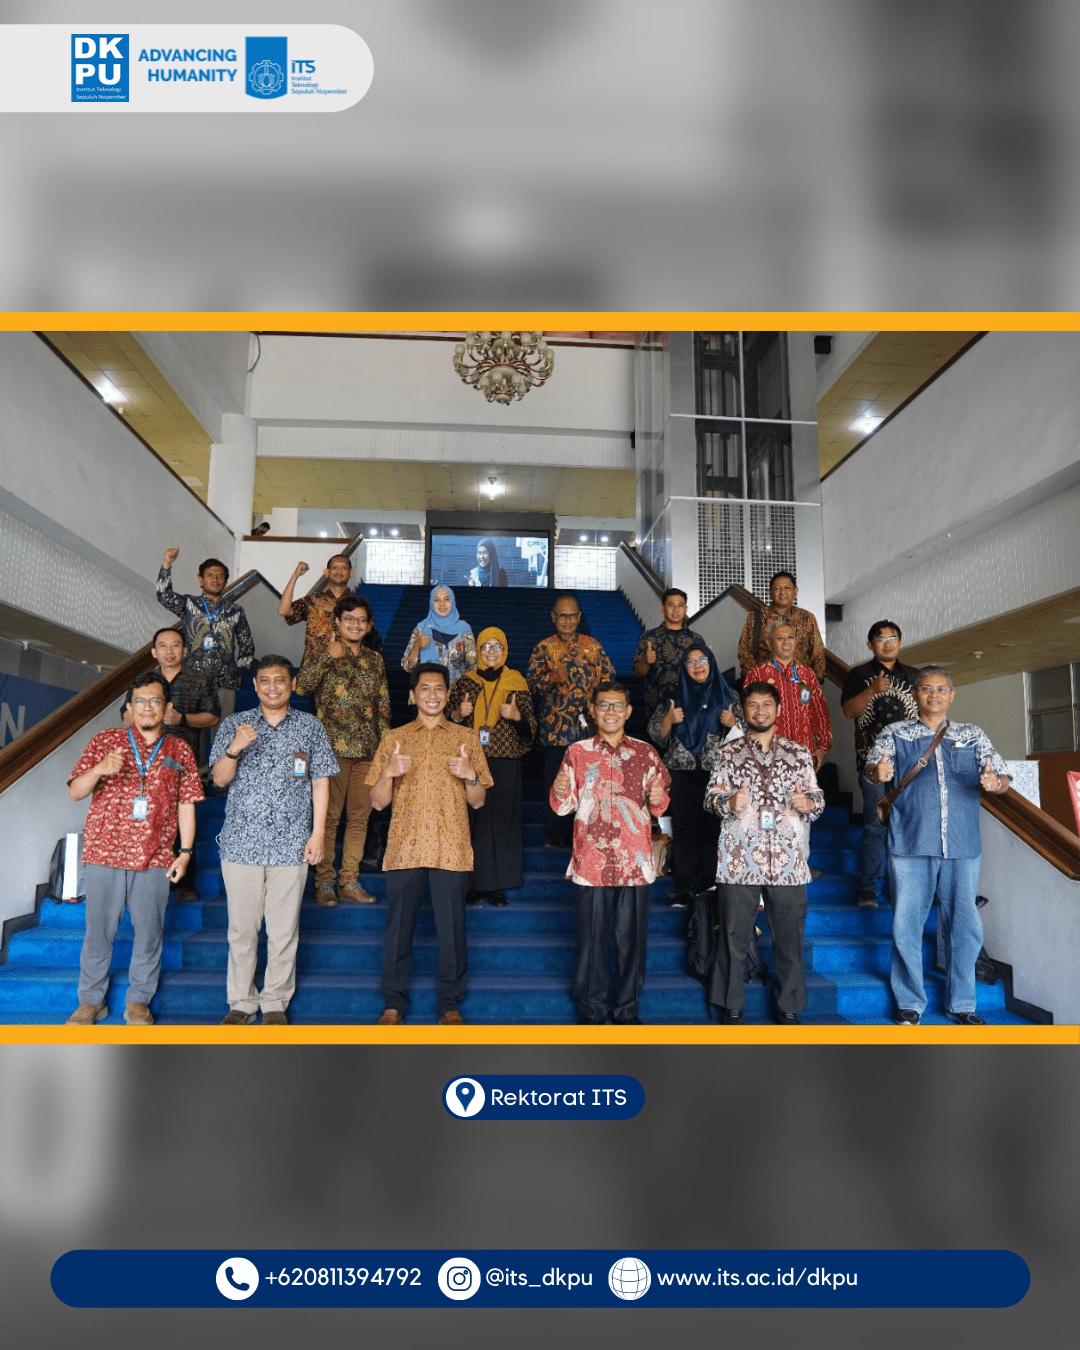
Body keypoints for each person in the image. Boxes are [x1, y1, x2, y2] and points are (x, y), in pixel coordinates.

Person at [865, 665, 1010, 1027]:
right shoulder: (895, 733)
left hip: (962, 844)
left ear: (952, 695)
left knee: (965, 926)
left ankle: (962, 1003)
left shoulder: (972, 735)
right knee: (906, 925)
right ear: (915, 694)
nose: (934, 695)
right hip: (910, 842)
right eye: (926, 689)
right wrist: (877, 773)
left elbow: (1002, 776)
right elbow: (873, 767)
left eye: (941, 689)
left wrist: (996, 783)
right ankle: (910, 1002)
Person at [65, 672, 202, 1026]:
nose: (147, 707)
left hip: (155, 856)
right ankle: (91, 1000)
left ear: (167, 706)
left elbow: (186, 804)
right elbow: (75, 791)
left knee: (150, 932)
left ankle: (139, 999)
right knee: (98, 932)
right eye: (140, 701)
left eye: (155, 700)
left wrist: (185, 853)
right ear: (129, 707)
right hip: (104, 852)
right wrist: (100, 769)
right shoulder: (105, 741)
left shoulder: (179, 750)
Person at [210, 655, 338, 1026]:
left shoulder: (310, 727)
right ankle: (241, 1001)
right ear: (254, 685)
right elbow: (219, 779)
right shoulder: (236, 724)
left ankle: (275, 1002)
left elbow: (320, 782)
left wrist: (317, 834)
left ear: (292, 684)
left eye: (279, 680)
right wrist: (235, 747)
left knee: (283, 931)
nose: (272, 687)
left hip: (292, 844)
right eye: (264, 680)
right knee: (242, 930)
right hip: (241, 844)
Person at [366, 663, 493, 1026]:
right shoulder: (394, 738)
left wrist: (470, 776)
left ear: (447, 694)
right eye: (425, 688)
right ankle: (393, 1003)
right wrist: (389, 772)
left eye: (439, 688)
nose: (432, 695)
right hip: (404, 846)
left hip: (450, 846)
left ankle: (449, 1003)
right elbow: (377, 802)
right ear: (412, 695)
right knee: (397, 928)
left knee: (451, 930)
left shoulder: (466, 739)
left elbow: (478, 801)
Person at [551, 682, 670, 1025]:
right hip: (592, 862)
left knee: (631, 941)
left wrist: (659, 795)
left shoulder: (647, 753)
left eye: (618, 705)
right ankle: (592, 1009)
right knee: (591, 940)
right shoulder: (577, 752)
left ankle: (626, 1009)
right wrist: (558, 790)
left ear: (628, 711)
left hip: (635, 863)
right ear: (592, 710)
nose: (611, 712)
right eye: (604, 705)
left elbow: (660, 804)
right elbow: (563, 807)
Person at [706, 681, 824, 1025]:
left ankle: (788, 1003)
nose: (760, 711)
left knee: (789, 936)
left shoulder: (798, 752)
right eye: (753, 705)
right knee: (733, 935)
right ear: (744, 710)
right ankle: (731, 1002)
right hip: (739, 858)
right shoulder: (728, 753)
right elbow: (710, 798)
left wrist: (809, 803)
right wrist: (729, 801)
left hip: (787, 860)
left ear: (778, 709)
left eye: (767, 705)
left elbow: (817, 799)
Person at [295, 596, 391, 907]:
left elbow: (383, 706)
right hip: (331, 750)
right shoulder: (322, 652)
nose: (355, 624)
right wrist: (327, 655)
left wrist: (384, 750)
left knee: (360, 818)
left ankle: (349, 880)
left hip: (366, 750)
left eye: (361, 620)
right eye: (349, 619)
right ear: (337, 622)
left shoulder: (375, 660)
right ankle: (324, 881)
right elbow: (301, 687)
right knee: (329, 818)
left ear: (369, 625)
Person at [447, 626, 537, 906]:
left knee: (501, 822)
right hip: (471, 760)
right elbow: (446, 722)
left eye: (498, 646)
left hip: (505, 759)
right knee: (472, 820)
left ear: (505, 650)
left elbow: (531, 728)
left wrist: (516, 716)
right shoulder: (466, 682)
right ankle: (473, 884)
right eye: (486, 646)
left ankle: (497, 885)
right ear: (478, 650)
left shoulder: (516, 681)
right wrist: (458, 713)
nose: (491, 652)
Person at [647, 646, 739, 908]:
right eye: (690, 662)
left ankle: (710, 886)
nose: (697, 665)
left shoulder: (729, 695)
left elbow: (745, 737)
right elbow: (656, 734)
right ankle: (684, 887)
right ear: (684, 667)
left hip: (717, 774)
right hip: (682, 771)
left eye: (702, 660)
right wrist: (669, 719)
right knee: (684, 830)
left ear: (711, 662)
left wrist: (733, 723)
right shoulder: (674, 696)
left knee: (713, 831)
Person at [840, 621, 922, 909]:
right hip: (872, 764)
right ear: (870, 644)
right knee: (875, 826)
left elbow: (927, 715)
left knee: (908, 826)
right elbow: (849, 711)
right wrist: (873, 689)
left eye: (893, 638)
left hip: (910, 765)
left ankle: (906, 888)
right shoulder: (859, 675)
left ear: (900, 642)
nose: (888, 643)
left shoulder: (914, 676)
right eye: (881, 638)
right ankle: (868, 887)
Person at [527, 594, 616, 849]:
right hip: (555, 730)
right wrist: (550, 679)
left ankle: (587, 834)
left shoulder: (593, 646)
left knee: (590, 783)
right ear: (553, 617)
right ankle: (556, 834)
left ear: (579, 617)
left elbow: (609, 678)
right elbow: (531, 685)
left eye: (572, 615)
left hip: (588, 730)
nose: (567, 620)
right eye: (562, 616)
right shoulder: (544, 648)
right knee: (557, 782)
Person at [156, 547, 254, 715]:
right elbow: (164, 595)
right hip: (192, 680)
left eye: (220, 576)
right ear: (200, 580)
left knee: (223, 728)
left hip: (225, 681)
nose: (215, 579)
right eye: (210, 575)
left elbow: (246, 643)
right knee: (191, 726)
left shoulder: (235, 610)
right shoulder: (188, 604)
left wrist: (240, 672)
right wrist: (166, 564)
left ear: (225, 581)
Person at [119, 627, 220, 763]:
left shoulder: (200, 681)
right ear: (154, 652)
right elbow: (125, 716)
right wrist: (150, 715)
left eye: (175, 645)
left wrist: (181, 718)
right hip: (145, 757)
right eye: (163, 646)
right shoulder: (143, 680)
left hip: (184, 759)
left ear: (184, 651)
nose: (169, 651)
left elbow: (213, 718)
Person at [742, 620, 831, 769]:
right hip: (768, 757)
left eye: (790, 637)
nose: (786, 642)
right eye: (780, 638)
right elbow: (747, 715)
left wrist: (822, 748)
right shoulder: (757, 674)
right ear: (769, 643)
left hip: (803, 756)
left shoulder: (807, 674)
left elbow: (819, 712)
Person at [631, 587, 710, 727]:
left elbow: (705, 675)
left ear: (686, 609)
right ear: (662, 608)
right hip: (657, 711)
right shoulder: (650, 637)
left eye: (680, 605)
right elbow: (639, 671)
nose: (676, 610)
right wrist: (645, 660)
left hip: (690, 710)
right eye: (671, 605)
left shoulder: (696, 640)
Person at [279, 552, 369, 665]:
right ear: (327, 572)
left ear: (351, 573)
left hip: (346, 667)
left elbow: (368, 630)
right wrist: (295, 576)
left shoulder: (359, 605)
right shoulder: (314, 601)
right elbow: (284, 610)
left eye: (344, 568)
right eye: (334, 567)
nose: (339, 571)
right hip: (314, 666)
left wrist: (336, 609)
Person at [737, 570, 825, 683]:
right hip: (766, 684)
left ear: (795, 591)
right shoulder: (756, 617)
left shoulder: (807, 617)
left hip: (799, 683)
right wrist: (757, 680)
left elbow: (818, 652)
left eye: (787, 588)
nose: (782, 592)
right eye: (777, 588)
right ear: (770, 592)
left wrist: (814, 681)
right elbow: (744, 651)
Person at [402, 584, 476, 687]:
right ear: (431, 602)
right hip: (428, 693)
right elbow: (407, 667)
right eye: (437, 600)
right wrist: (416, 646)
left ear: (453, 601)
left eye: (447, 599)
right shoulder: (421, 629)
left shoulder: (464, 629)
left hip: (456, 693)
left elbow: (473, 667)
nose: (442, 604)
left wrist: (463, 693)